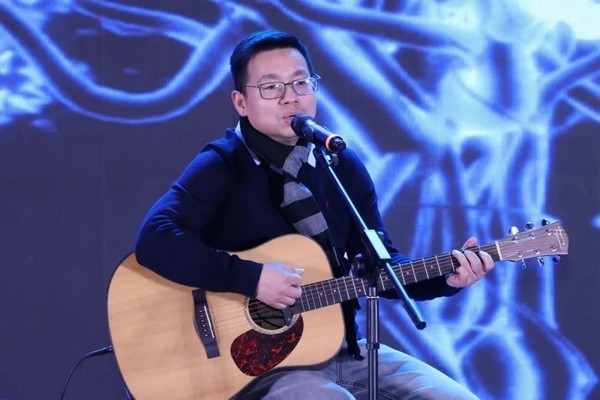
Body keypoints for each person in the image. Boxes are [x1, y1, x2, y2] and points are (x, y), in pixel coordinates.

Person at [135, 29, 495, 400]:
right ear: (241, 102)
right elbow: (155, 238)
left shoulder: (341, 165)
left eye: (300, 83)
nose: (290, 97)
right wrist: (251, 278)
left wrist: (446, 279)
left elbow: (379, 264)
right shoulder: (222, 164)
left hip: (344, 350)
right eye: (271, 87)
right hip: (257, 368)